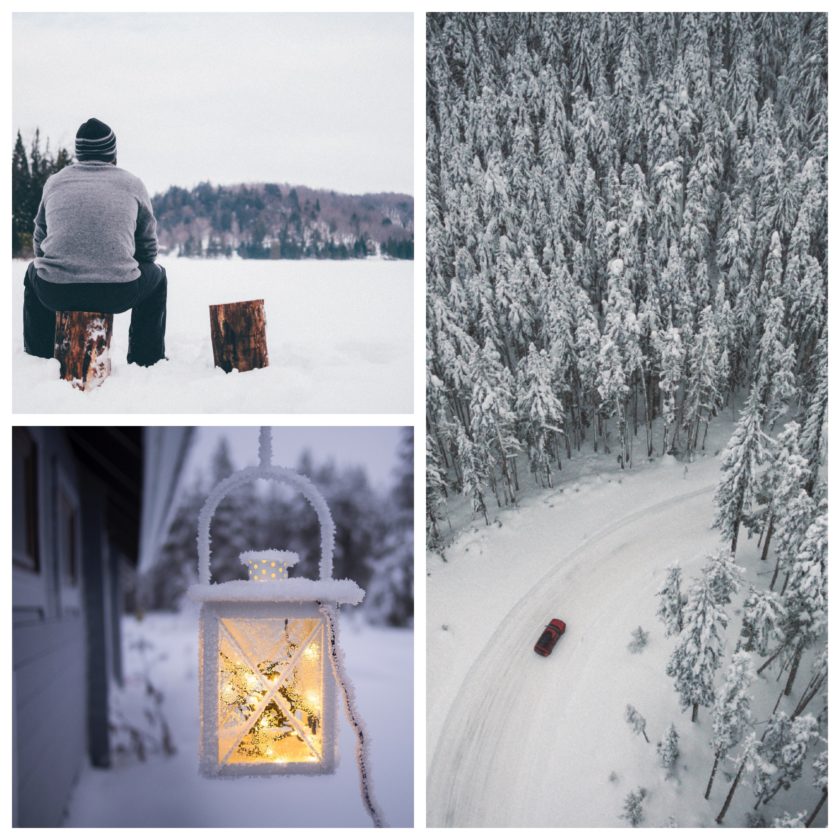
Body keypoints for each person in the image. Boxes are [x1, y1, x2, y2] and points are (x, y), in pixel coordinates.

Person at [23, 117, 167, 366]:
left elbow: (40, 240)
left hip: (56, 291)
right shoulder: (132, 183)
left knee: (33, 272)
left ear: (78, 153)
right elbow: (148, 248)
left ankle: (39, 358)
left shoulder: (55, 182)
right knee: (158, 276)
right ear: (112, 152)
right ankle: (146, 359)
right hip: (117, 291)